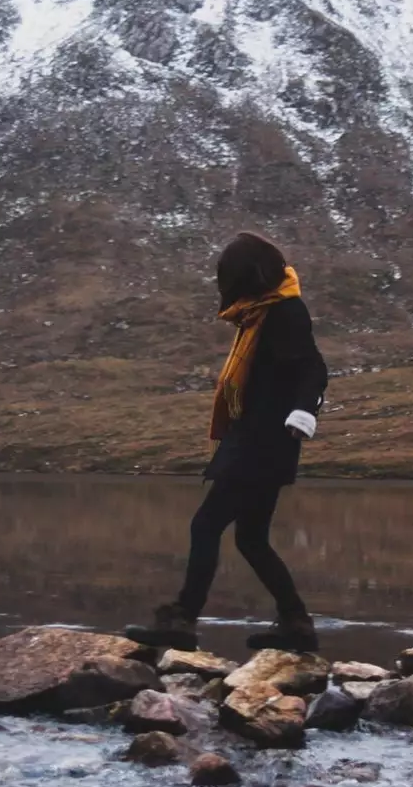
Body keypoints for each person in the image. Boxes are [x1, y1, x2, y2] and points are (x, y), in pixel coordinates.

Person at [125, 232, 328, 653]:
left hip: (263, 442)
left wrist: (303, 413)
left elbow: (313, 368)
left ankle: (182, 618)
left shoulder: (285, 312)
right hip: (258, 439)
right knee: (250, 538)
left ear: (247, 277)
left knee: (206, 525)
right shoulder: (260, 315)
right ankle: (296, 624)